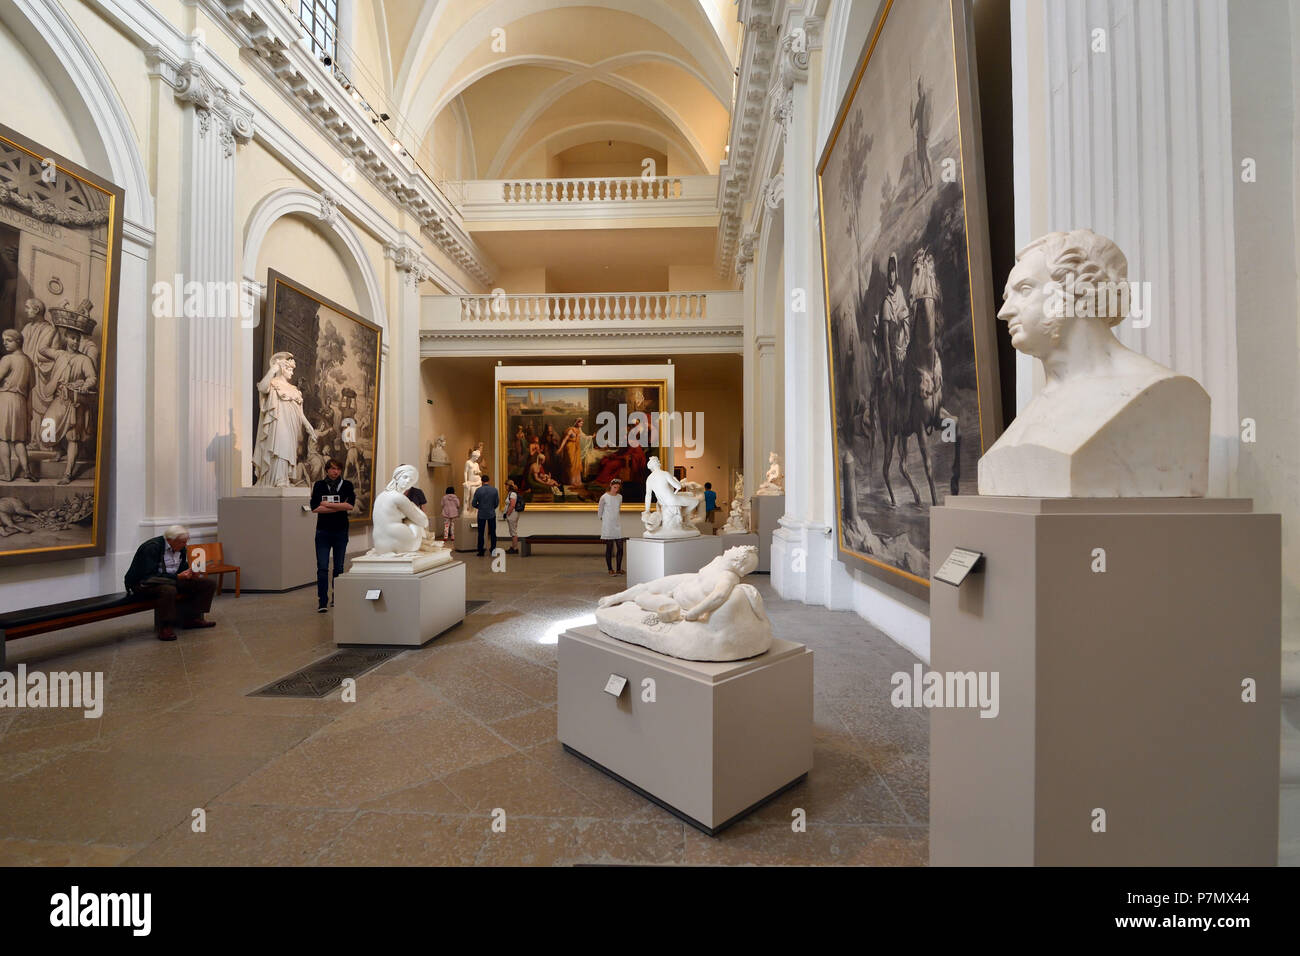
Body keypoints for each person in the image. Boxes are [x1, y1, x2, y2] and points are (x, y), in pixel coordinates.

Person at [124, 524, 218, 642]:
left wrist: (189, 573)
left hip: (170, 579)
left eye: (185, 542)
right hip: (143, 583)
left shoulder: (180, 548)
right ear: (169, 540)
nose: (185, 545)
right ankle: (165, 626)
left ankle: (192, 618)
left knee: (207, 583)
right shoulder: (151, 548)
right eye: (182, 542)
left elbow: (181, 567)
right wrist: (178, 576)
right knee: (168, 590)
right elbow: (149, 576)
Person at [310, 458, 355, 612]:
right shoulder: (319, 485)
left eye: (338, 469)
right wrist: (338, 507)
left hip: (341, 531)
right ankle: (322, 601)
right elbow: (315, 508)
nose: (335, 472)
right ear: (327, 470)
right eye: (332, 468)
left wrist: (327, 504)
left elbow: (350, 505)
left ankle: (338, 597)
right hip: (323, 531)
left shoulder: (347, 485)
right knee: (322, 567)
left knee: (339, 567)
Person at [0, 328, 36, 482]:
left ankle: (8, 475)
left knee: (3, 439)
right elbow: (32, 385)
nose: (4, 343)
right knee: (19, 440)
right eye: (3, 340)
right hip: (21, 401)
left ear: (18, 341)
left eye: (8, 340)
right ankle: (27, 471)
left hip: (6, 399)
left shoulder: (7, 359)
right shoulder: (28, 361)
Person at [598, 478, 625, 575]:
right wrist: (604, 520)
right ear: (610, 486)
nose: (616, 489)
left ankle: (618, 568)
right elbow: (600, 511)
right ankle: (610, 569)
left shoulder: (620, 497)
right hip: (608, 525)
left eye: (618, 488)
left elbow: (617, 509)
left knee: (620, 547)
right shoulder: (604, 497)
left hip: (617, 524)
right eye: (614, 487)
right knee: (609, 547)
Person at [471, 473, 499, 556]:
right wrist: (491, 507)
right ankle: (493, 550)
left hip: (481, 514)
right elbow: (496, 503)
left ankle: (481, 551)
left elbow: (473, 503)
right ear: (488, 481)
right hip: (491, 513)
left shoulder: (478, 490)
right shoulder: (494, 490)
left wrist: (480, 507)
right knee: (493, 532)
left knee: (481, 533)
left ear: (482, 481)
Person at [502, 478, 521, 554]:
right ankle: (513, 547)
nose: (505, 487)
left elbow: (512, 505)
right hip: (512, 514)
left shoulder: (512, 494)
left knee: (513, 532)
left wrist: (508, 514)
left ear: (508, 486)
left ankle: (515, 548)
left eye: (505, 485)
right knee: (513, 531)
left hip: (512, 514)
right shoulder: (511, 493)